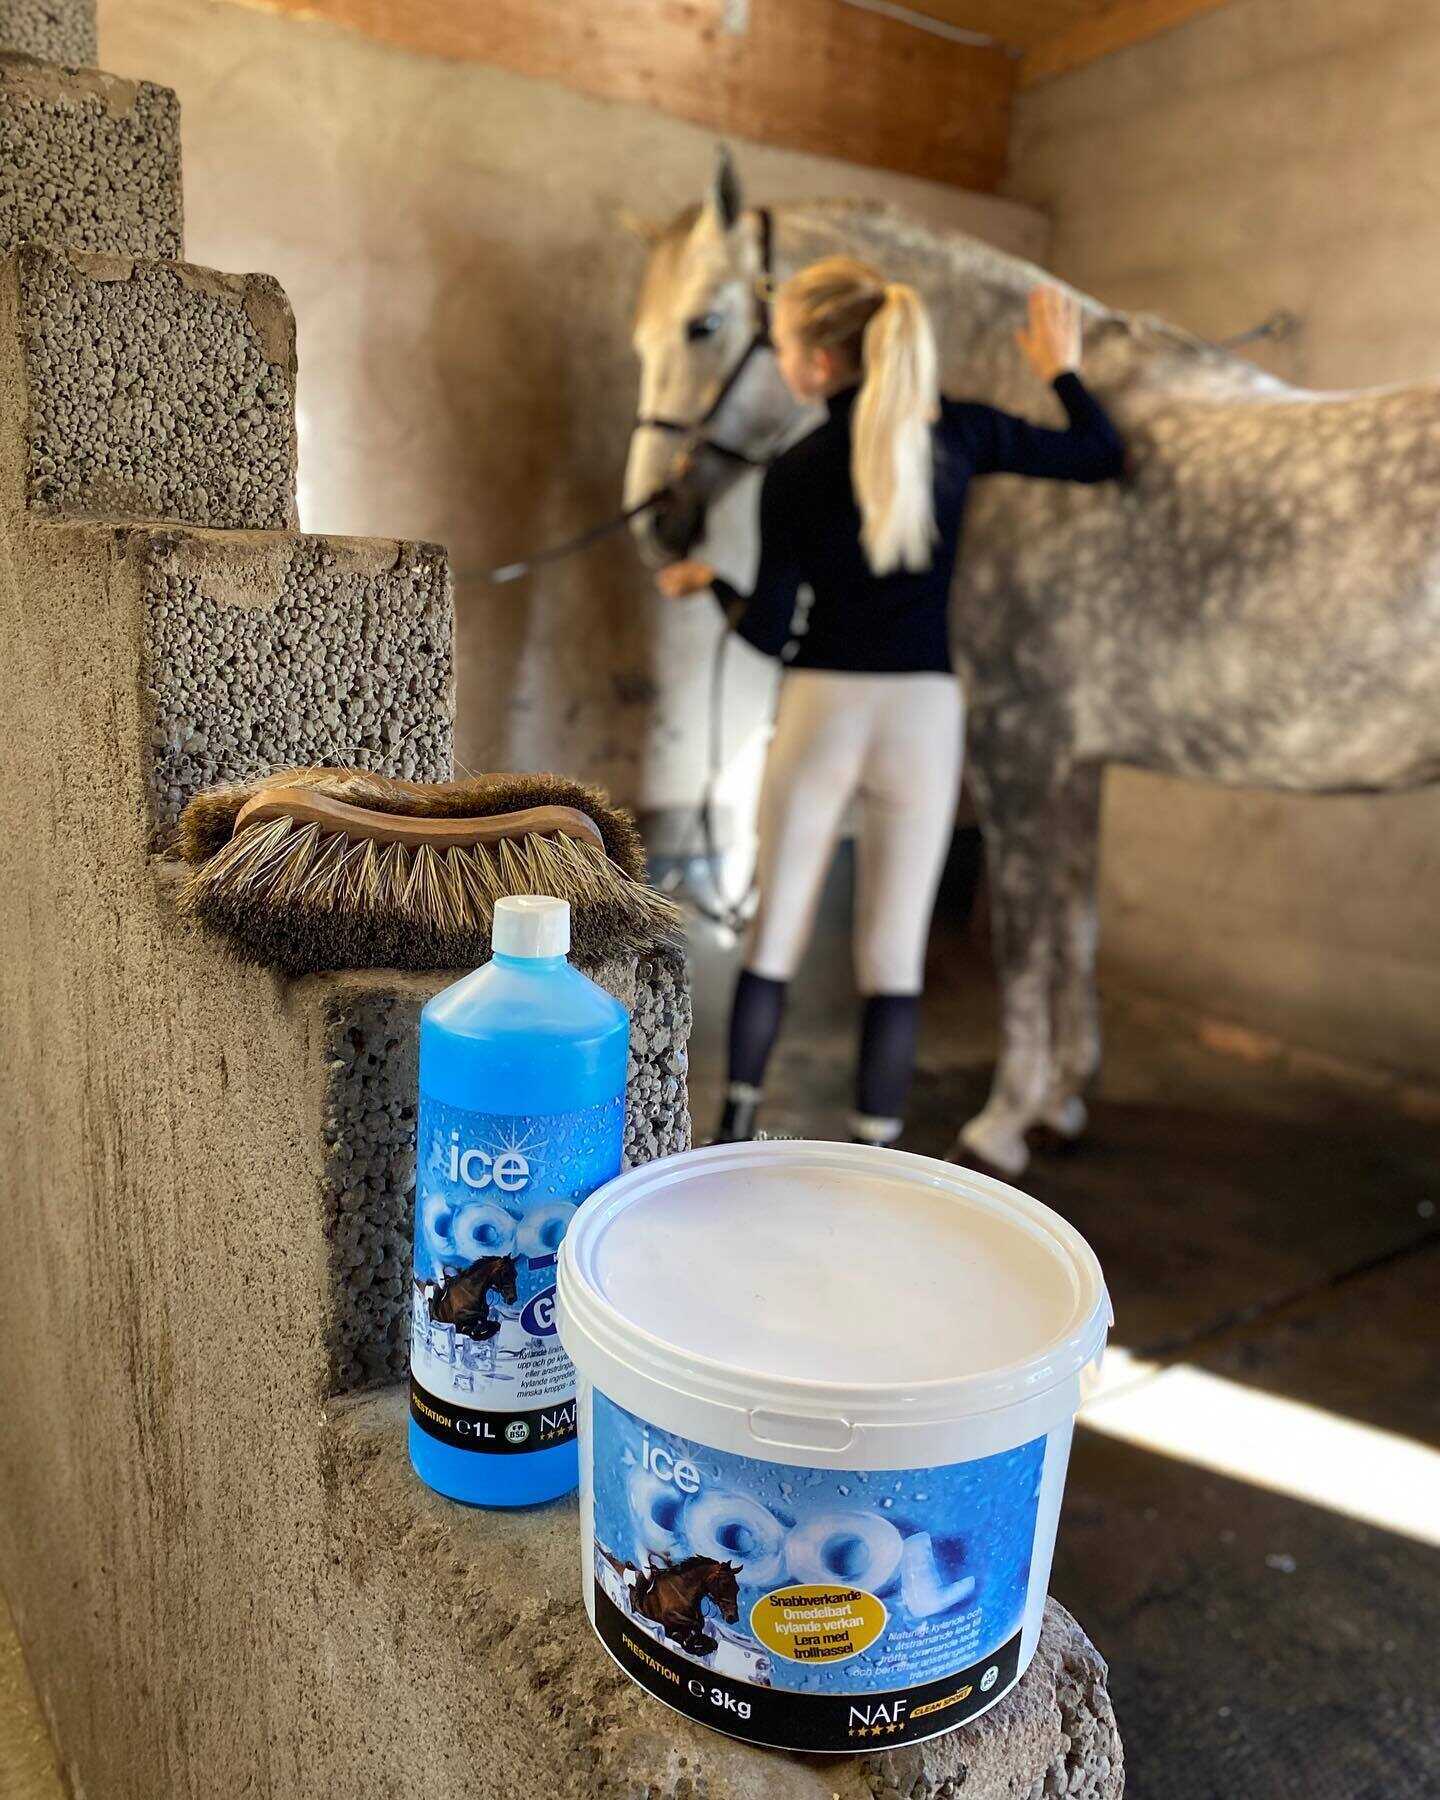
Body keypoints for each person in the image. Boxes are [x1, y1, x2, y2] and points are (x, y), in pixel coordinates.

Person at [659, 257, 1126, 1148]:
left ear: (820, 363)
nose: (781, 362)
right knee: (894, 952)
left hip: (822, 705)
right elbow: (1102, 454)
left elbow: (768, 633)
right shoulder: (961, 433)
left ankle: (733, 1131)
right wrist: (1061, 371)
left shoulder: (794, 470)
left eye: (784, 346)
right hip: (924, 714)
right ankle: (875, 1150)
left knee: (775, 933)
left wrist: (710, 583)